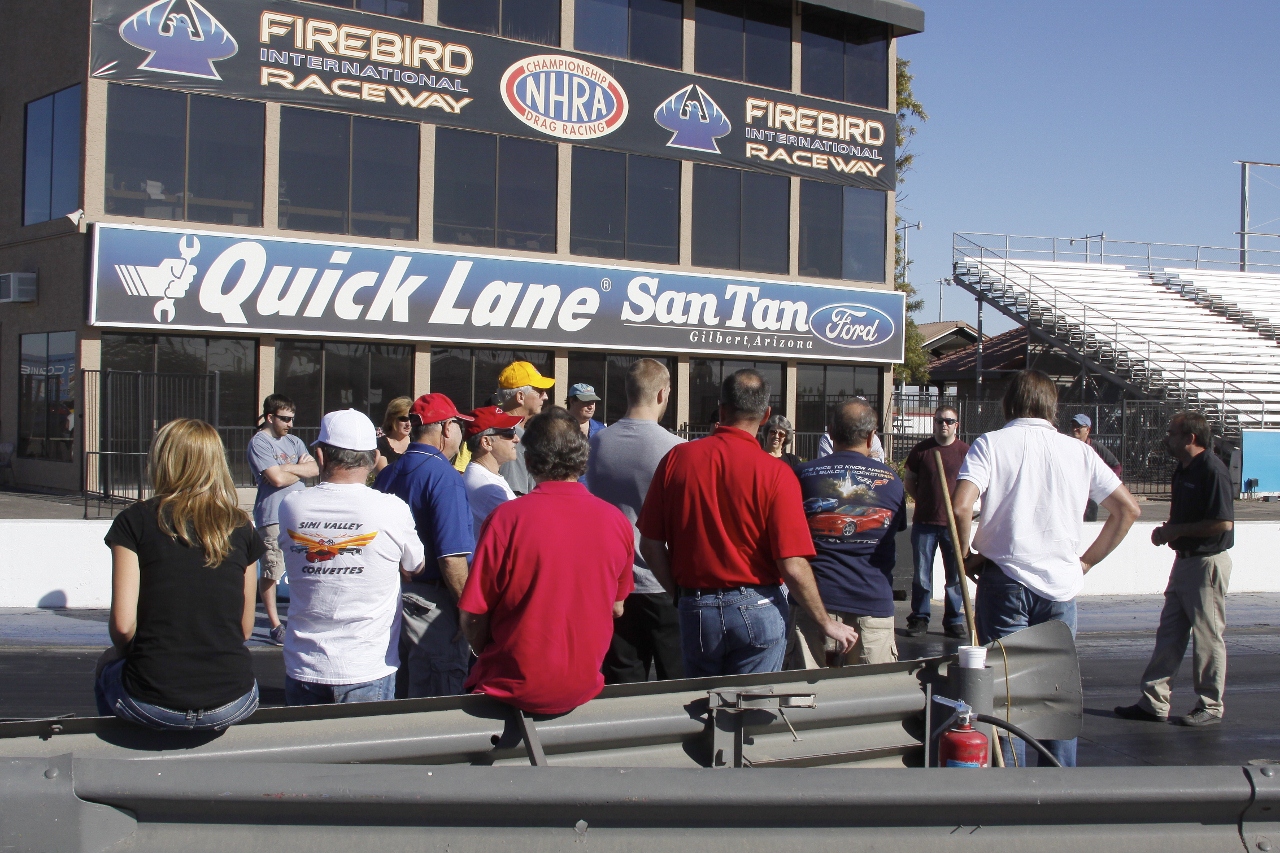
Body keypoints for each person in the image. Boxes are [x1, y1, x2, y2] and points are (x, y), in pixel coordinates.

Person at [952, 370, 1141, 767]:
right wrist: (1086, 561)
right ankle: (1058, 788)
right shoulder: (1079, 451)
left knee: (1007, 695)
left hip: (1005, 580)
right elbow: (1128, 510)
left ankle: (1012, 790)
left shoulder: (991, 444)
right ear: (1052, 408)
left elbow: (960, 506)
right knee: (1056, 695)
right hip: (1059, 586)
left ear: (1009, 404)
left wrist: (967, 553)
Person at [637, 369, 858, 677]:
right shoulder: (776, 473)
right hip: (759, 603)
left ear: (722, 408)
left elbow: (650, 544)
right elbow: (792, 563)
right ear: (766, 414)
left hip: (696, 603)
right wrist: (825, 621)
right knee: (751, 710)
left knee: (703, 709)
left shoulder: (678, 459)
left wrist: (680, 594)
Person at [460, 408, 634, 714]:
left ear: (529, 461)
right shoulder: (616, 521)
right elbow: (616, 606)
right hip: (583, 686)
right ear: (582, 458)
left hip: (507, 687)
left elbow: (474, 614)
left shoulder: (506, 520)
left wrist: (481, 649)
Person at [96, 419, 262, 731]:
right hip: (232, 698)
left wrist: (133, 657)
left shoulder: (134, 522)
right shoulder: (240, 527)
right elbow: (244, 628)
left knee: (107, 666)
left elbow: (122, 625)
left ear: (164, 461)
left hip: (149, 699)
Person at [277, 409, 425, 706]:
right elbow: (415, 566)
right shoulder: (391, 509)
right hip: (367, 666)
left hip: (304, 665)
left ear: (320, 455)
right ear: (372, 458)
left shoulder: (292, 506)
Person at [1115, 411, 1234, 727]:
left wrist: (1177, 532)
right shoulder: (1184, 470)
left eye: (1172, 433)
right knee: (1169, 633)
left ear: (1190, 438)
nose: (1167, 438)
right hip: (1185, 562)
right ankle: (1154, 700)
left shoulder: (1211, 470)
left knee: (1207, 636)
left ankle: (1210, 704)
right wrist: (1170, 531)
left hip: (1206, 563)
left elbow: (1223, 522)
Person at [586, 358, 686, 684]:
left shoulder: (595, 444)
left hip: (612, 586)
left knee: (622, 686)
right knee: (678, 684)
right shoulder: (677, 450)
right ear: (662, 394)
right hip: (664, 581)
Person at [791, 399, 907, 667]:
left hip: (813, 604)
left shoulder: (801, 475)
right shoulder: (891, 481)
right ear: (870, 437)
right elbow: (893, 532)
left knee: (801, 698)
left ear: (830, 433)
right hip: (871, 604)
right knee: (867, 701)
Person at [374, 393, 476, 698]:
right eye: (459, 425)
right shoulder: (444, 476)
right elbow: (452, 558)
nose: (462, 433)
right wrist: (468, 611)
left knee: (402, 696)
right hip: (432, 603)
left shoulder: (390, 472)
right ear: (446, 428)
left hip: (392, 599)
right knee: (437, 703)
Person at [247, 394, 318, 644]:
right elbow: (275, 480)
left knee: (305, 566)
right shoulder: (260, 443)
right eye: (285, 419)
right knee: (272, 569)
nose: (290, 424)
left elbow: (315, 469)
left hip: (300, 516)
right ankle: (275, 624)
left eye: (292, 419)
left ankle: (303, 617)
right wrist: (297, 472)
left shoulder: (295, 441)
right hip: (272, 516)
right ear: (270, 417)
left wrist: (285, 469)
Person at [903, 405, 970, 639]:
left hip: (953, 525)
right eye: (940, 420)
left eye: (949, 421)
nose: (944, 424)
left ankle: (953, 620)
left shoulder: (965, 452)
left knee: (955, 576)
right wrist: (923, 498)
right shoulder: (922, 450)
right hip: (925, 523)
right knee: (922, 575)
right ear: (934, 422)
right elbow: (909, 481)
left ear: (956, 425)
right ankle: (920, 618)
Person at [495, 361, 555, 496]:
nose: (545, 396)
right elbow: (514, 497)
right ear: (520, 396)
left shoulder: (502, 429)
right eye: (540, 391)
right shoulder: (512, 436)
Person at [461, 405, 523, 532]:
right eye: (509, 433)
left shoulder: (484, 475)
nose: (517, 439)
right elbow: (522, 530)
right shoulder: (488, 486)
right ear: (486, 442)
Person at [1070, 414, 1123, 521]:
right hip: (1072, 494)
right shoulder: (1067, 445)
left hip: (1089, 497)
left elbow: (1116, 466)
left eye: (1079, 426)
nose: (1075, 429)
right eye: (1073, 425)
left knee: (1088, 526)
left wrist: (1102, 484)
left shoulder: (1096, 447)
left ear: (1087, 430)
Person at [817, 402, 884, 462]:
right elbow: (826, 462)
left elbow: (879, 460)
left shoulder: (807, 471)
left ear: (830, 431)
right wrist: (867, 457)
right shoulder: (887, 474)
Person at [375, 396, 413, 473]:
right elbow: (384, 475)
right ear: (392, 419)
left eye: (411, 418)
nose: (408, 424)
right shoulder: (381, 445)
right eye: (403, 419)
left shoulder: (417, 442)